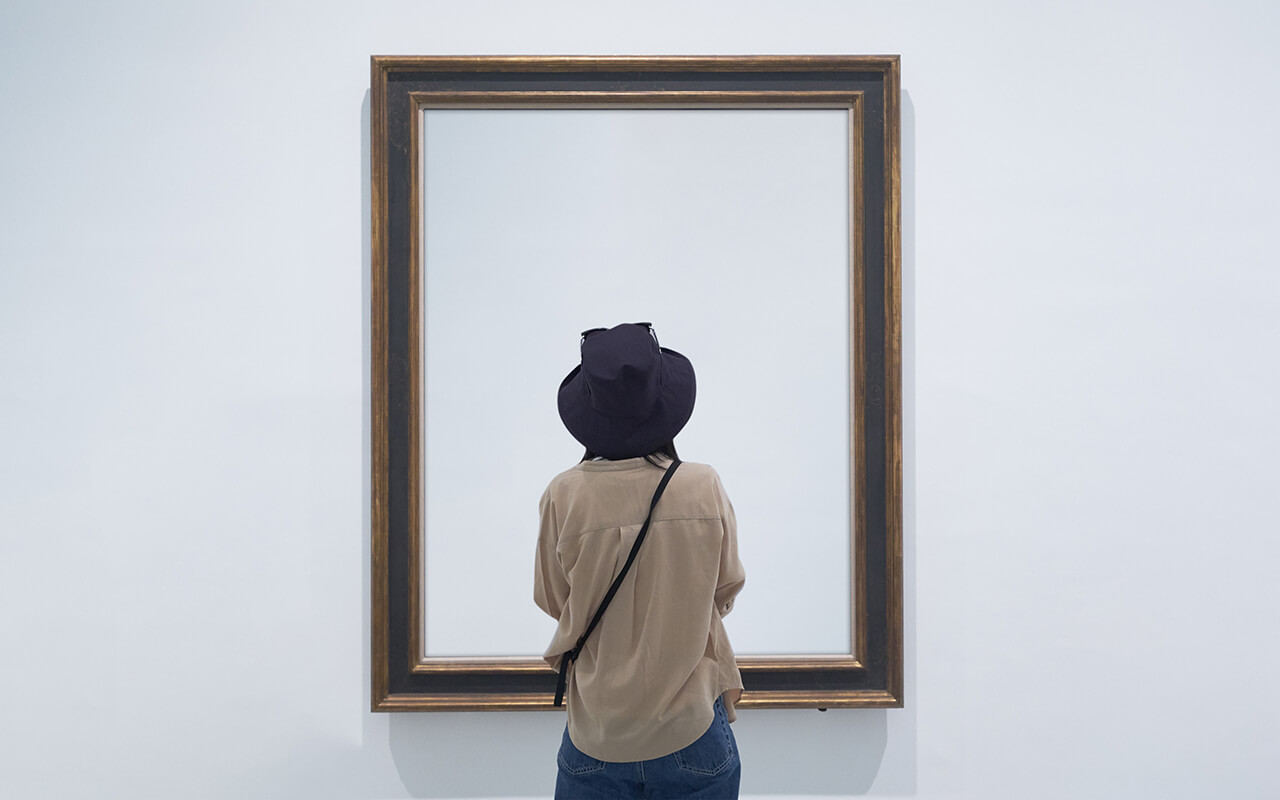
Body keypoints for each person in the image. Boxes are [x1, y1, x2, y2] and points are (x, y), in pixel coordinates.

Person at [534, 322, 746, 800]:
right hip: (690, 729)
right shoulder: (702, 485)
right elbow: (727, 586)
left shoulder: (564, 495)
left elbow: (553, 599)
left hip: (598, 733)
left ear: (591, 410)